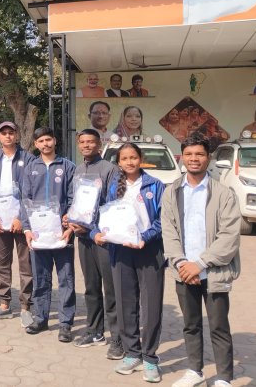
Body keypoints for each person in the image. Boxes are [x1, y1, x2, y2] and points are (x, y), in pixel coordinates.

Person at [162, 136, 241, 387]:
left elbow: (229, 236)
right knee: (191, 324)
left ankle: (224, 378)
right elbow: (169, 231)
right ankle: (194, 371)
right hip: (184, 271)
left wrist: (200, 264)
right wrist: (182, 263)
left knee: (219, 326)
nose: (194, 159)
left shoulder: (223, 193)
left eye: (199, 154)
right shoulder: (172, 191)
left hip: (214, 272)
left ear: (208, 158)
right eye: (189, 154)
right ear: (182, 157)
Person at [98, 143, 165, 383]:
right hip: (120, 252)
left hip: (149, 251)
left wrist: (145, 237)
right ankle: (132, 353)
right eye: (124, 158)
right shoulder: (114, 186)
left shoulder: (155, 185)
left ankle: (150, 358)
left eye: (133, 157)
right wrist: (100, 233)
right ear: (119, 162)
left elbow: (162, 220)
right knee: (126, 303)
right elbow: (103, 214)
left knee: (151, 306)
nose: (129, 162)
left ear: (140, 158)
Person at [69, 128, 124, 360]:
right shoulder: (78, 170)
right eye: (82, 142)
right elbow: (75, 201)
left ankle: (118, 338)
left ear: (99, 144)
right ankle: (94, 331)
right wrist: (72, 219)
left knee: (111, 289)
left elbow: (114, 203)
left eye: (91, 142)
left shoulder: (110, 169)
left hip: (103, 238)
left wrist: (94, 228)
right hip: (83, 238)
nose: (86, 145)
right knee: (91, 287)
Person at [21, 127, 76, 343]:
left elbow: (73, 199)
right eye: (41, 141)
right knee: (41, 278)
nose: (45, 144)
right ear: (36, 144)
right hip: (38, 235)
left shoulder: (67, 166)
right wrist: (27, 229)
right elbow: (25, 200)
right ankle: (41, 318)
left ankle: (65, 323)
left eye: (48, 139)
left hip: (62, 234)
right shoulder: (30, 168)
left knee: (66, 279)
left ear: (54, 140)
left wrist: (70, 226)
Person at [0, 121, 36, 325]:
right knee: (1, 264)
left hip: (21, 222)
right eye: (3, 133)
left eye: (10, 132)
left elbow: (31, 191)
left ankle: (26, 307)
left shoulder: (28, 159)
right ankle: (4, 304)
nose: (7, 136)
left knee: (26, 265)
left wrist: (22, 217)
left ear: (17, 135)